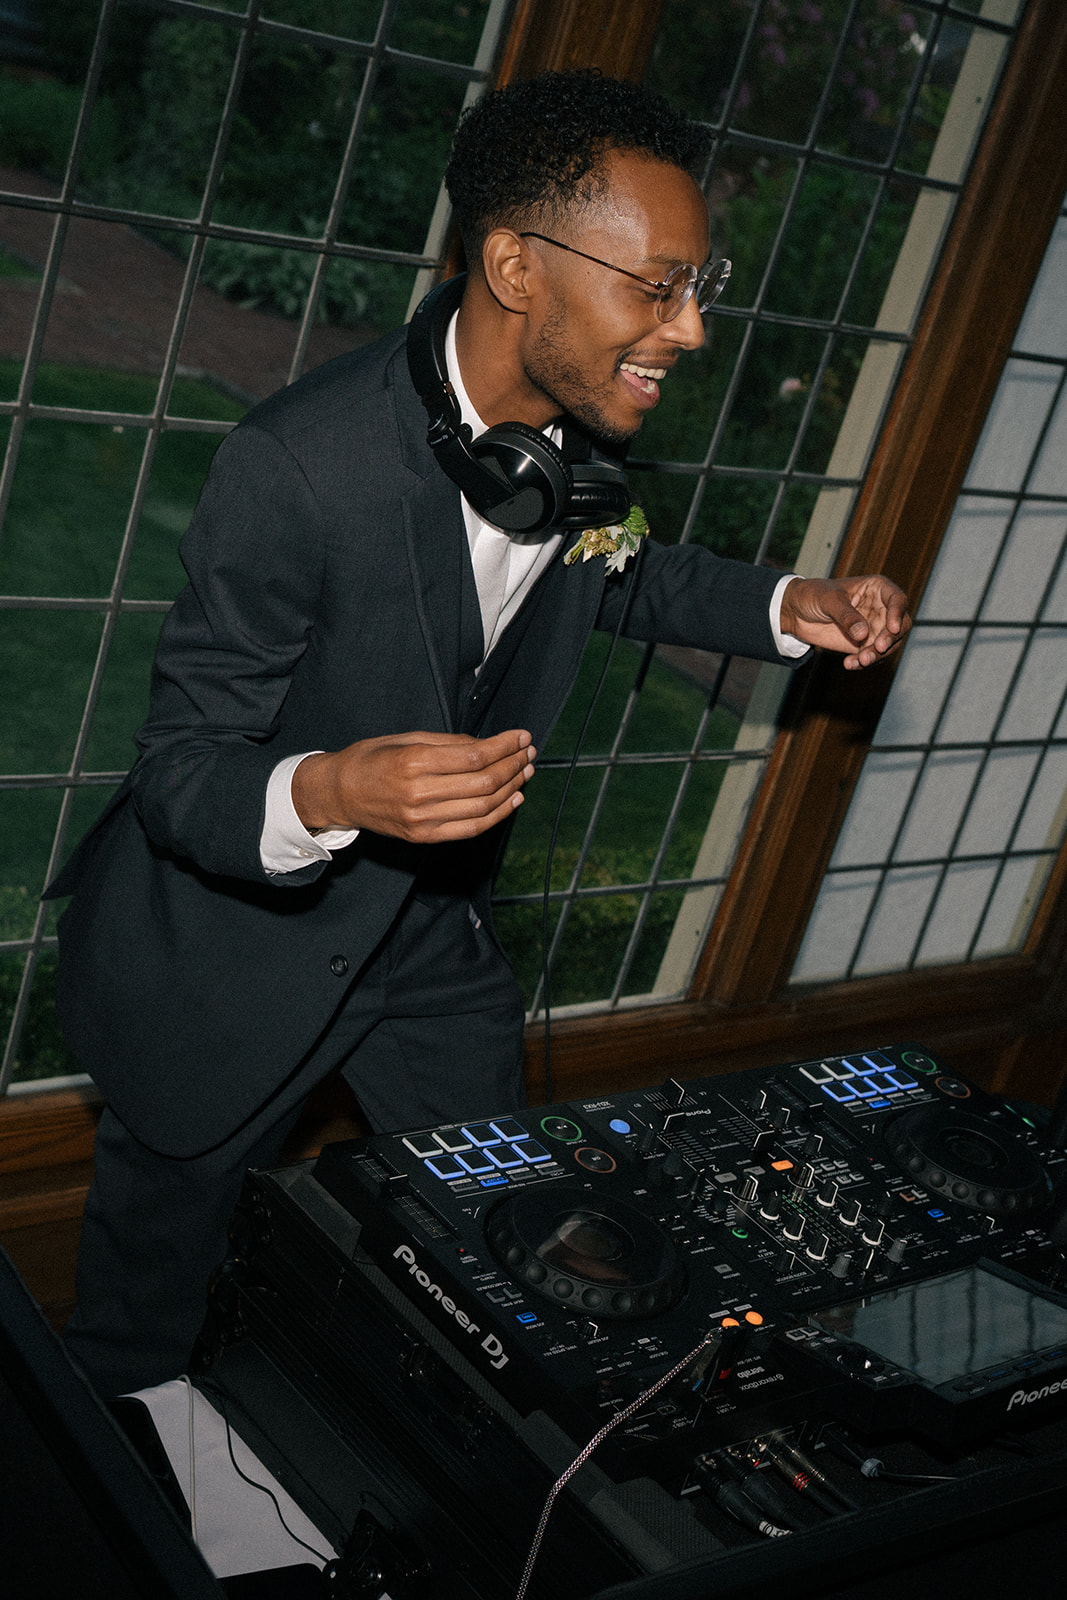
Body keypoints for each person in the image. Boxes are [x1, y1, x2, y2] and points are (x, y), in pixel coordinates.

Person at [48, 71, 910, 1396]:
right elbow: (180, 774)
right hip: (225, 957)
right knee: (137, 1329)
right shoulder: (297, 467)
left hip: (431, 946)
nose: (690, 330)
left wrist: (790, 605)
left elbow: (623, 570)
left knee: (521, 1251)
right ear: (515, 267)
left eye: (699, 289)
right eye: (660, 288)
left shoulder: (576, 445)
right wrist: (336, 789)